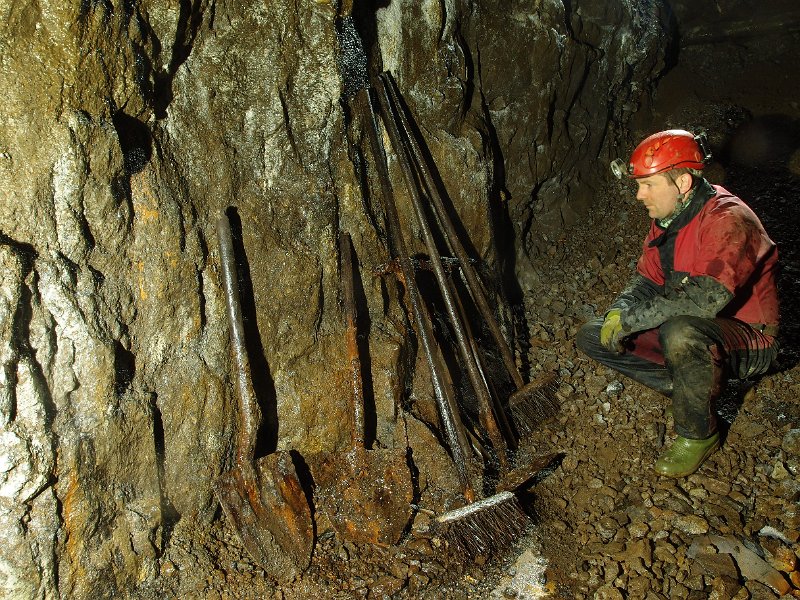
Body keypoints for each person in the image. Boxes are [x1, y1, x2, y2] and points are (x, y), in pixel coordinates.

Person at [576, 129, 780, 477]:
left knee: (681, 331)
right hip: (696, 328)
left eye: (648, 185)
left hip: (749, 338)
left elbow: (705, 300)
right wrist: (617, 311)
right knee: (592, 334)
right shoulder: (669, 219)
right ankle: (692, 384)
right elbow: (647, 279)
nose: (639, 195)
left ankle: (698, 434)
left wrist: (630, 321)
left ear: (682, 182)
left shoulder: (728, 220)